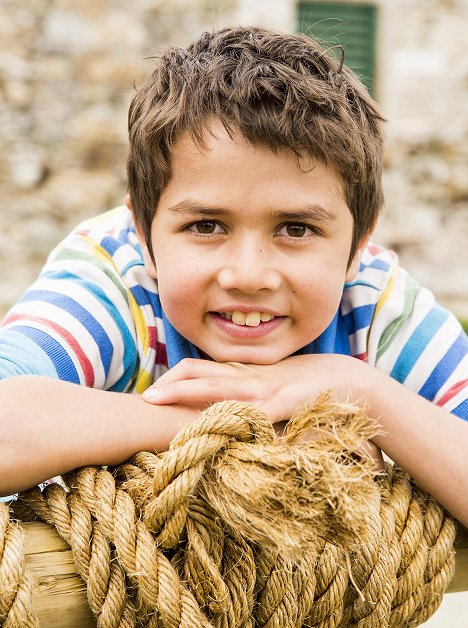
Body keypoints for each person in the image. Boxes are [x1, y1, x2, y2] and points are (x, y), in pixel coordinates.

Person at [0, 26, 467, 526]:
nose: (249, 275)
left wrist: (360, 388)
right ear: (144, 233)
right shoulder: (117, 281)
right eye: (206, 225)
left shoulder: (374, 305)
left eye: (296, 228)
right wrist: (233, 418)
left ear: (358, 245)